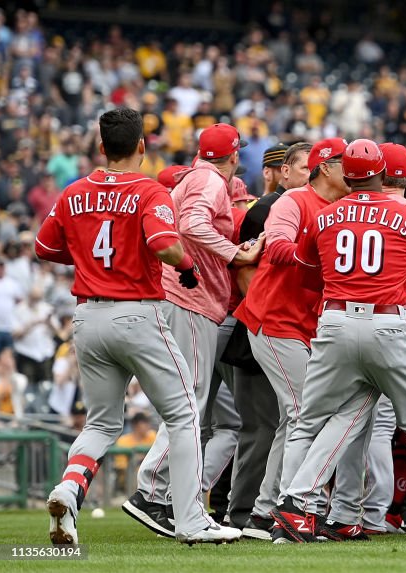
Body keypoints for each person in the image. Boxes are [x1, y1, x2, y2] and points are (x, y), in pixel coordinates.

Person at [35, 107, 240, 545]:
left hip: (88, 316)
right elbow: (165, 243)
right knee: (185, 414)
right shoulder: (149, 190)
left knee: (102, 423)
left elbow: (43, 247)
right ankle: (189, 519)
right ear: (142, 147)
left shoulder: (73, 192)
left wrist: (89, 259)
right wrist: (187, 267)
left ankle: (68, 490)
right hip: (138, 313)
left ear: (102, 147)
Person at [271, 139, 406, 543]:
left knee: (322, 419)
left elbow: (308, 277)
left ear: (348, 173)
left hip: (336, 321)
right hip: (385, 323)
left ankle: (294, 509)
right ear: (380, 172)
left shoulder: (325, 215)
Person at [126, 123, 263, 538]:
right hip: (190, 300)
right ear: (234, 156)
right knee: (188, 404)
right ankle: (152, 489)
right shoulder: (209, 180)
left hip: (180, 298)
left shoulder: (192, 175)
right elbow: (192, 225)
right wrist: (234, 251)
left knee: (187, 403)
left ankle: (164, 494)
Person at [233, 138, 349, 540]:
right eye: (343, 162)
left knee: (294, 416)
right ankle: (288, 509)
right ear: (326, 168)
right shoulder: (294, 201)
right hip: (274, 319)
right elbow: (279, 247)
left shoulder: (344, 209)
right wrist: (315, 255)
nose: (351, 169)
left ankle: (266, 512)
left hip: (304, 324)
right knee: (304, 412)